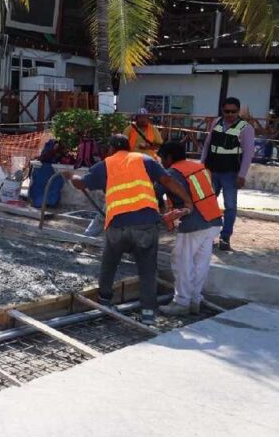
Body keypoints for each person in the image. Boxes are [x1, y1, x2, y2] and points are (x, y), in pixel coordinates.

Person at [66, 135, 192, 326]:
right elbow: (167, 180)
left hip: (118, 224)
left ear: (110, 149)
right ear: (129, 147)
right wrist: (187, 199)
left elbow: (81, 183)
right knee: (148, 269)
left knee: (109, 263)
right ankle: (148, 313)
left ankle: (106, 300)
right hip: (146, 225)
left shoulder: (106, 164)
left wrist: (71, 176)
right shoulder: (145, 160)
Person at [157, 141, 223, 316]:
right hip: (213, 220)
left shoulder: (172, 172)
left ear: (169, 157)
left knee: (182, 262)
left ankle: (181, 302)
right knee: (200, 263)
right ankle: (194, 300)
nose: (161, 162)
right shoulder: (200, 167)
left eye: (161, 158)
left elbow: (156, 192)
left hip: (194, 223)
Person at [200, 97, 255, 251]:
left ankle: (225, 238)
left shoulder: (246, 128)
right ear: (222, 111)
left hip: (230, 174)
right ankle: (207, 235)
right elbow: (207, 145)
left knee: (230, 206)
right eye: (227, 111)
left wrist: (242, 175)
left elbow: (248, 153)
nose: (230, 114)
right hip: (211, 171)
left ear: (238, 111)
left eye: (233, 111)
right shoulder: (216, 122)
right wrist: (202, 166)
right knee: (208, 203)